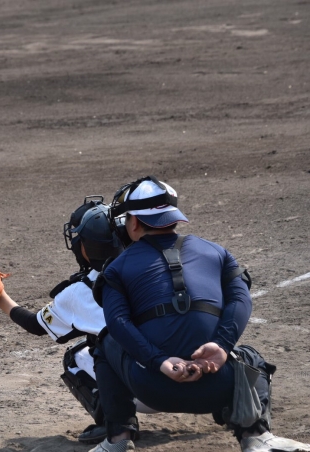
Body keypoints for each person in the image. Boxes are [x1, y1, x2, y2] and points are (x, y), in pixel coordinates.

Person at [88, 176, 310, 452]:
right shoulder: (218, 252)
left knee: (106, 341)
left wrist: (158, 360)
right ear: (173, 217)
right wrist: (222, 346)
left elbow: (117, 322)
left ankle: (118, 439)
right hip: (220, 384)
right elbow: (241, 300)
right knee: (251, 357)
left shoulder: (117, 268)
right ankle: (256, 435)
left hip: (152, 386)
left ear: (133, 223)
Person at [0, 196, 155, 443]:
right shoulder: (155, 264)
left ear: (85, 248)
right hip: (189, 378)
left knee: (78, 356)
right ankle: (219, 401)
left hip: (145, 391)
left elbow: (36, 325)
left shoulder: (79, 291)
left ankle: (114, 422)